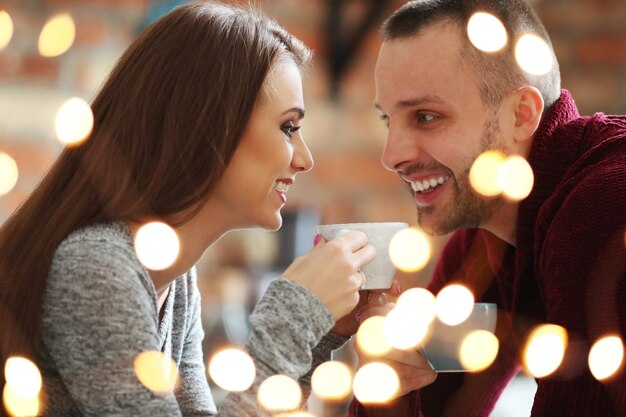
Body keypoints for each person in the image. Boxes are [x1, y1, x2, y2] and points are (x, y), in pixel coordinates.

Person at [0, 2, 384, 416]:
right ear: (211, 125)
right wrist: (294, 315)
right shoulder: (95, 266)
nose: (305, 159)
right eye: (288, 127)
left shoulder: (175, 281)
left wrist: (314, 336)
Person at [350, 0, 626, 416]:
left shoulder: (605, 204)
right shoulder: (489, 232)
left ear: (520, 115)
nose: (391, 156)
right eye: (389, 119)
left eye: (426, 116)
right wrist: (388, 391)